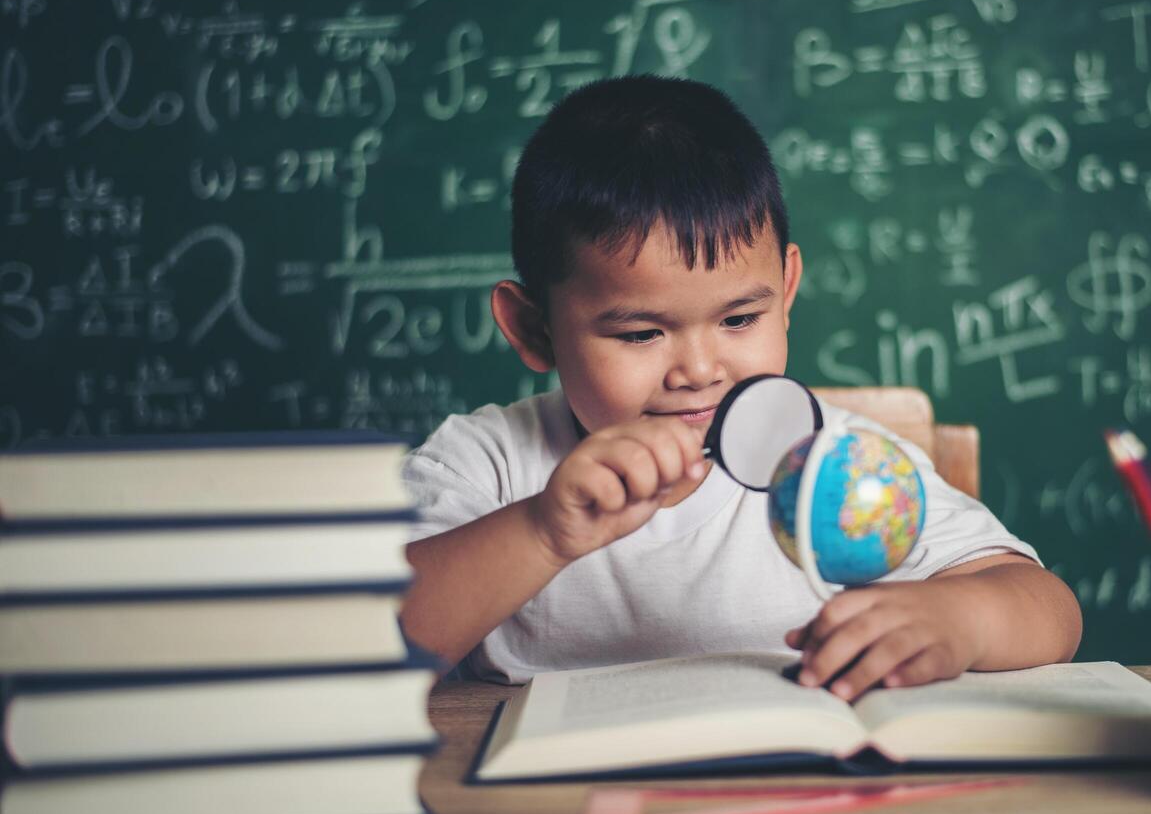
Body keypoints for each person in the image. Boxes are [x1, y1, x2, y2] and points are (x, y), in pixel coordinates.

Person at [400, 75, 1081, 701]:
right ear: (533, 328)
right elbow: (361, 649)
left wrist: (959, 616)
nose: (698, 370)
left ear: (785, 291)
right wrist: (543, 532)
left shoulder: (841, 464)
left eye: (738, 319)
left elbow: (1047, 609)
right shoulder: (485, 463)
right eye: (640, 334)